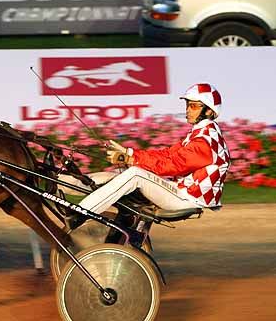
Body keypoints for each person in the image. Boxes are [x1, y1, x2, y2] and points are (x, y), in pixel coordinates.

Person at [69, 83, 230, 229]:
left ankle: (81, 213)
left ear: (209, 111)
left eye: (194, 106)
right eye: (188, 104)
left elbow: (172, 165)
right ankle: (65, 184)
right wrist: (129, 153)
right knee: (119, 174)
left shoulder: (204, 140)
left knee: (135, 174)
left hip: (187, 198)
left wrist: (131, 160)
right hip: (181, 192)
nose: (188, 109)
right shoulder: (202, 133)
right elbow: (167, 154)